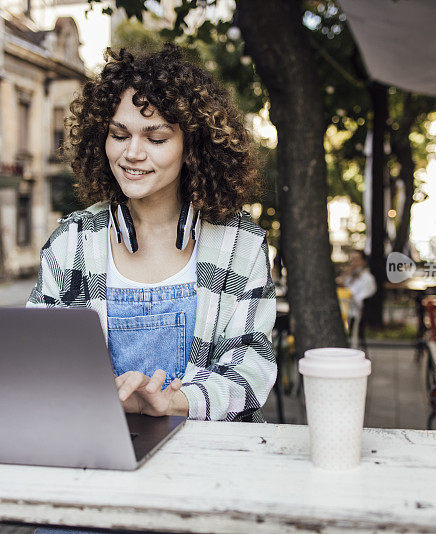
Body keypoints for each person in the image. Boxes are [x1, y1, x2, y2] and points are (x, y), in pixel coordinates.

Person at [26, 45, 276, 426]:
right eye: (118, 134)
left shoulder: (239, 245)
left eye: (156, 138)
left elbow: (251, 370)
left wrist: (172, 403)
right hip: (97, 445)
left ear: (192, 146)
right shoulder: (71, 241)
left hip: (209, 459)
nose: (132, 154)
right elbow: (35, 356)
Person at [336, 250, 377, 346]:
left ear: (363, 261)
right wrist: (345, 274)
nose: (352, 263)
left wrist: (347, 292)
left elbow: (360, 301)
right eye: (351, 260)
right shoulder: (350, 277)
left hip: (355, 314)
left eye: (355, 260)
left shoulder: (367, 279)